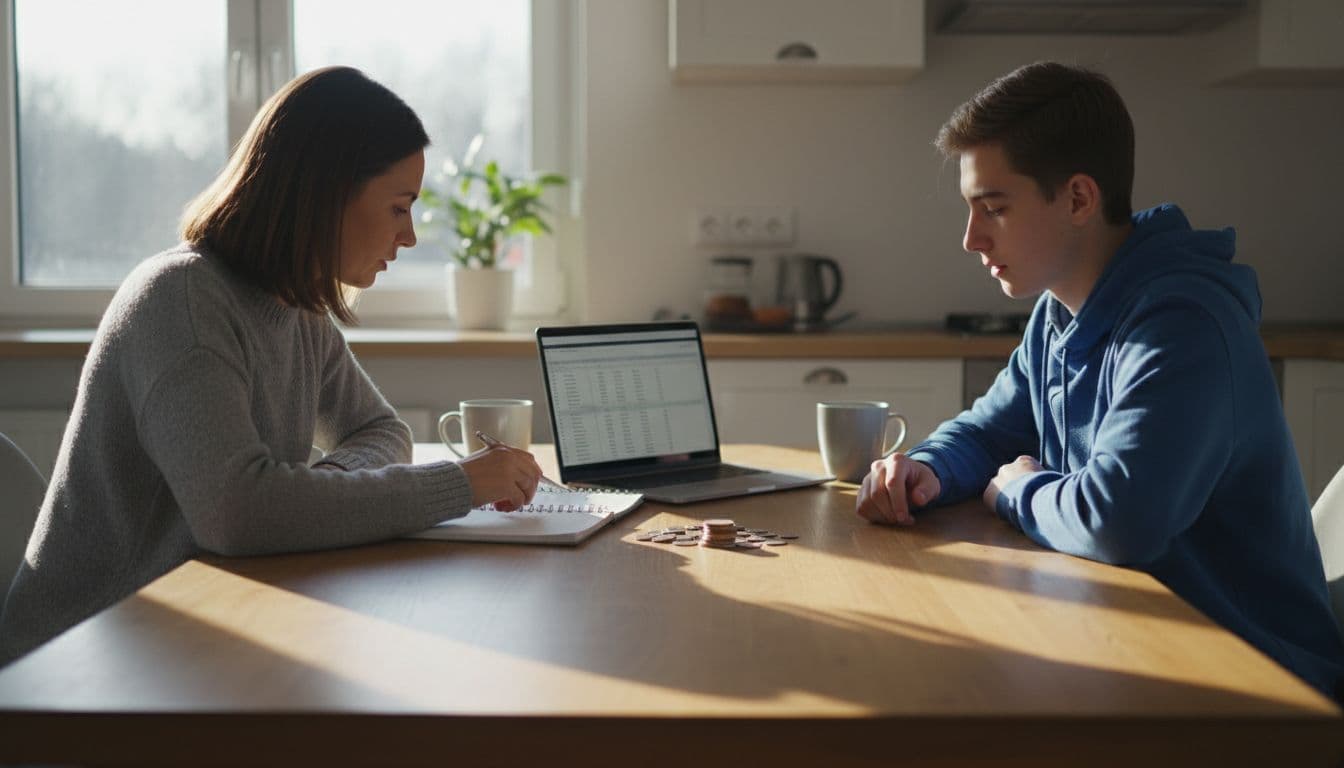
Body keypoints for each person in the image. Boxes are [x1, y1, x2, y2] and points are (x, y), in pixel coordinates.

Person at [0, 67, 543, 665]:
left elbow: (380, 432)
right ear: (326, 195)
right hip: (79, 668)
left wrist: (318, 493)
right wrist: (459, 484)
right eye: (398, 208)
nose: (409, 236)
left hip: (186, 636)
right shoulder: (180, 301)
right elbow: (238, 515)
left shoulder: (295, 305)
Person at [856, 61, 1344, 699]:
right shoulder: (1059, 311)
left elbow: (1119, 519)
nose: (971, 238)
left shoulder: (1184, 324)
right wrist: (928, 467)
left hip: (1255, 681)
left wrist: (1022, 493)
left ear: (1079, 199)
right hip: (1133, 641)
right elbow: (991, 430)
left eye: (994, 208)